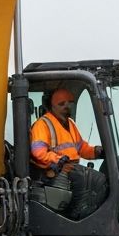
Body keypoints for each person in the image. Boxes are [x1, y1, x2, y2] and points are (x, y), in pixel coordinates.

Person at [30, 88, 106, 219]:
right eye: (61, 104)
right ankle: (75, 215)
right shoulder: (43, 124)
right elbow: (38, 152)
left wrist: (97, 151)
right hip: (53, 172)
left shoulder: (70, 124)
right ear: (51, 106)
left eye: (69, 103)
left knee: (101, 180)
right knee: (93, 179)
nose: (66, 106)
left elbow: (82, 148)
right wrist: (59, 160)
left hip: (69, 168)